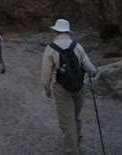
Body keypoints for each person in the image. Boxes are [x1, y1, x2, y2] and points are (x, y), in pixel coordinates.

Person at [41, 19, 96, 155]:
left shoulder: (51, 48)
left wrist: (46, 88)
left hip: (62, 88)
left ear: (56, 31)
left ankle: (72, 151)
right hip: (79, 86)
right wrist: (92, 73)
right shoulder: (77, 45)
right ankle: (76, 141)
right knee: (75, 116)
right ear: (67, 31)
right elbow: (89, 67)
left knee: (67, 120)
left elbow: (46, 72)